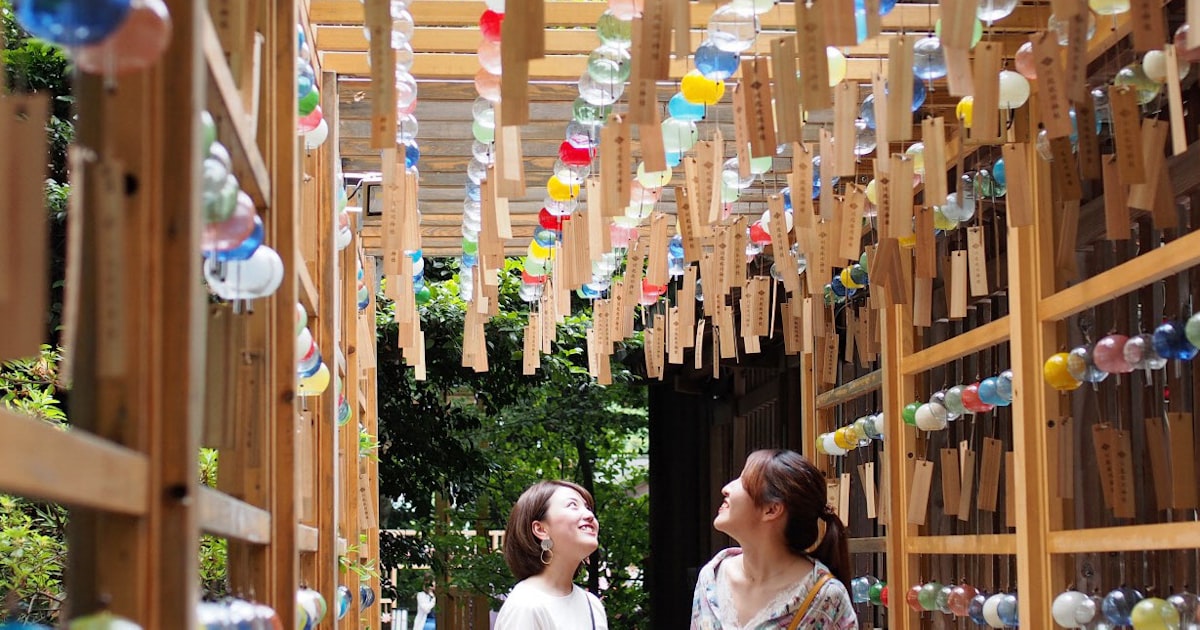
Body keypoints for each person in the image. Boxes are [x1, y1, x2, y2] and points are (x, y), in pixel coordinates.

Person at [691, 449, 857, 629]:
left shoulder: (825, 598)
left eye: (744, 481)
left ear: (771, 509)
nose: (726, 488)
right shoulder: (711, 579)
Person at [495, 480, 608, 630]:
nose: (589, 515)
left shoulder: (592, 605)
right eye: (572, 505)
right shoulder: (525, 605)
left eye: (588, 508)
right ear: (541, 529)